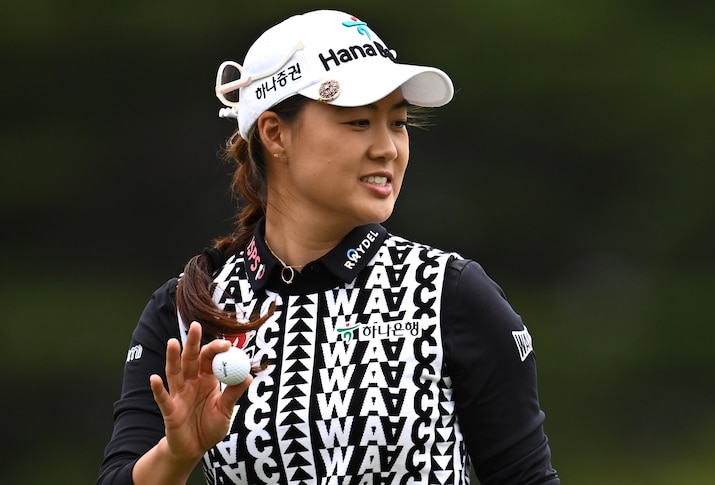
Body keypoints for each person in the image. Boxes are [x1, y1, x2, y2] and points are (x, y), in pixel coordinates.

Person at [97, 9, 559, 485]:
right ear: (276, 134)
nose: (388, 149)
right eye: (358, 122)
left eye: (397, 124)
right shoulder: (189, 310)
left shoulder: (451, 294)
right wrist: (177, 456)